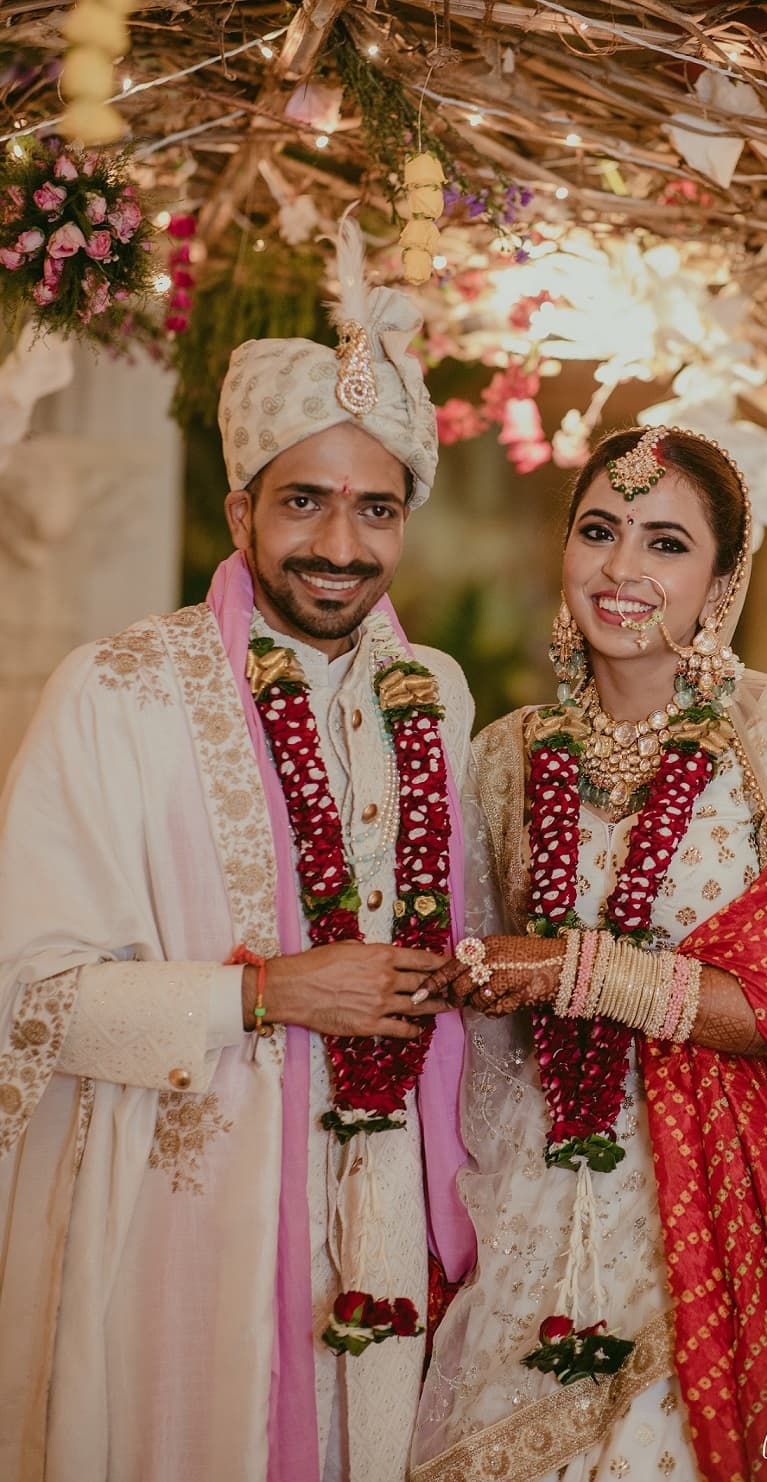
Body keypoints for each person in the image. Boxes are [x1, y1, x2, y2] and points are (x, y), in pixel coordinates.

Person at [0, 220, 476, 1482]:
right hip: (182, 1219)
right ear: (239, 508)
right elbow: (26, 994)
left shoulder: (434, 692)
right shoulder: (116, 689)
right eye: (303, 499)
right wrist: (264, 995)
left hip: (385, 1214)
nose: (340, 544)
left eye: (376, 508)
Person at [412, 427, 767, 1482]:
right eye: (598, 531)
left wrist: (574, 972)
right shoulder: (502, 757)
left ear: (721, 580)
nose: (620, 569)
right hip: (529, 1203)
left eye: (665, 543)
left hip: (714, 1208)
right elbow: (477, 1024)